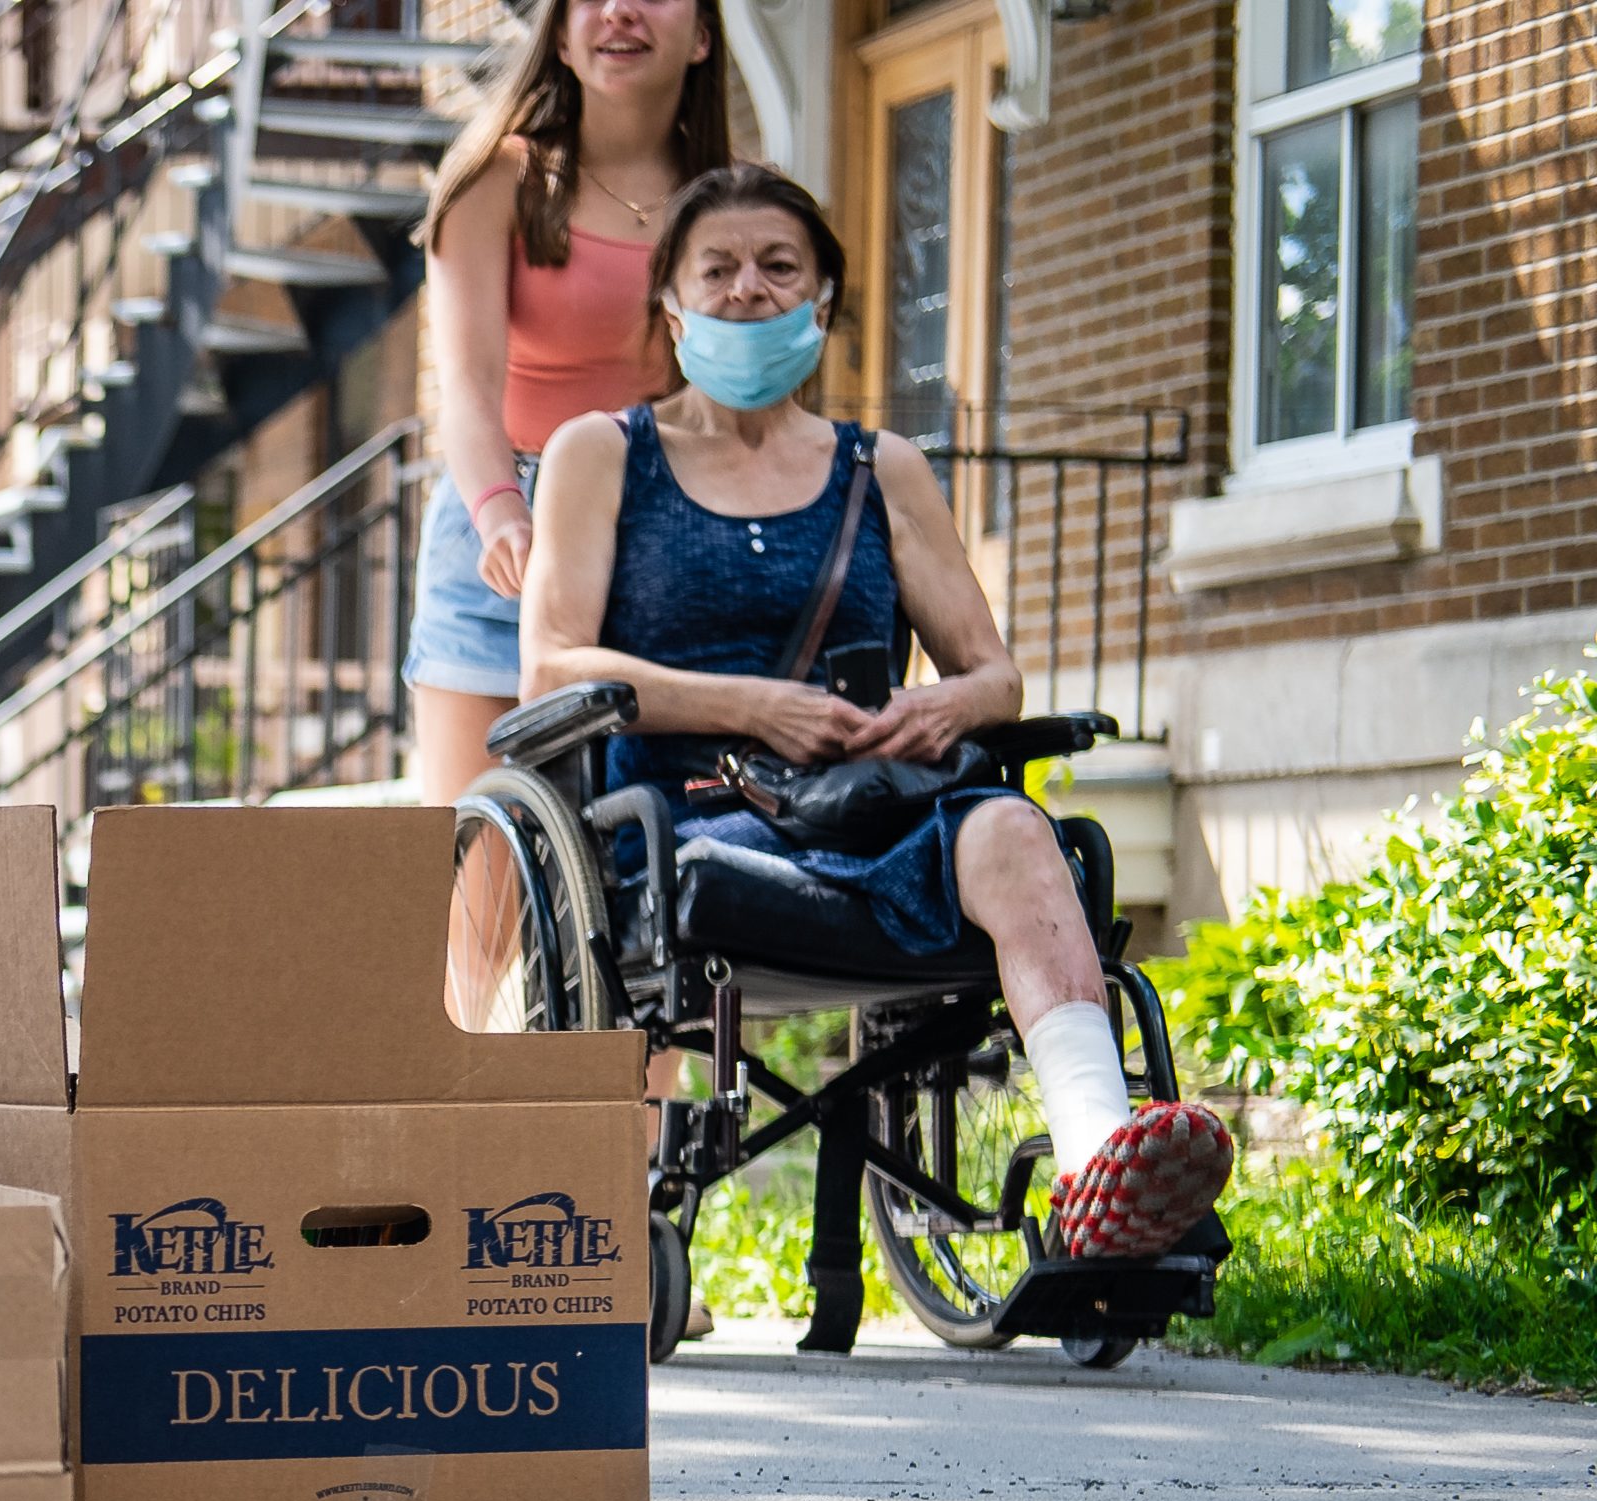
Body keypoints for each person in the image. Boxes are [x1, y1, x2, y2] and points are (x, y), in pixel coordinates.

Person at [516, 165, 1232, 1260]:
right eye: (718, 268)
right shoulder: (603, 455)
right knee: (960, 828)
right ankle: (1097, 1174)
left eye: (778, 268)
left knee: (1011, 829)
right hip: (687, 824)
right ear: (670, 301)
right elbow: (550, 666)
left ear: (823, 302)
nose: (748, 289)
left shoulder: (881, 468)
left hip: (867, 807)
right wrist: (755, 706)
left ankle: (1094, 1160)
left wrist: (938, 708)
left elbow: (996, 677)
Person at [406, 0, 728, 836]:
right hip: (502, 528)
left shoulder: (730, 202)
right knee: (475, 877)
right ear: (558, 31)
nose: (618, 11)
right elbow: (467, 394)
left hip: (655, 532)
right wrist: (499, 516)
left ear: (701, 35)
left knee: (643, 863)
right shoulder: (496, 178)